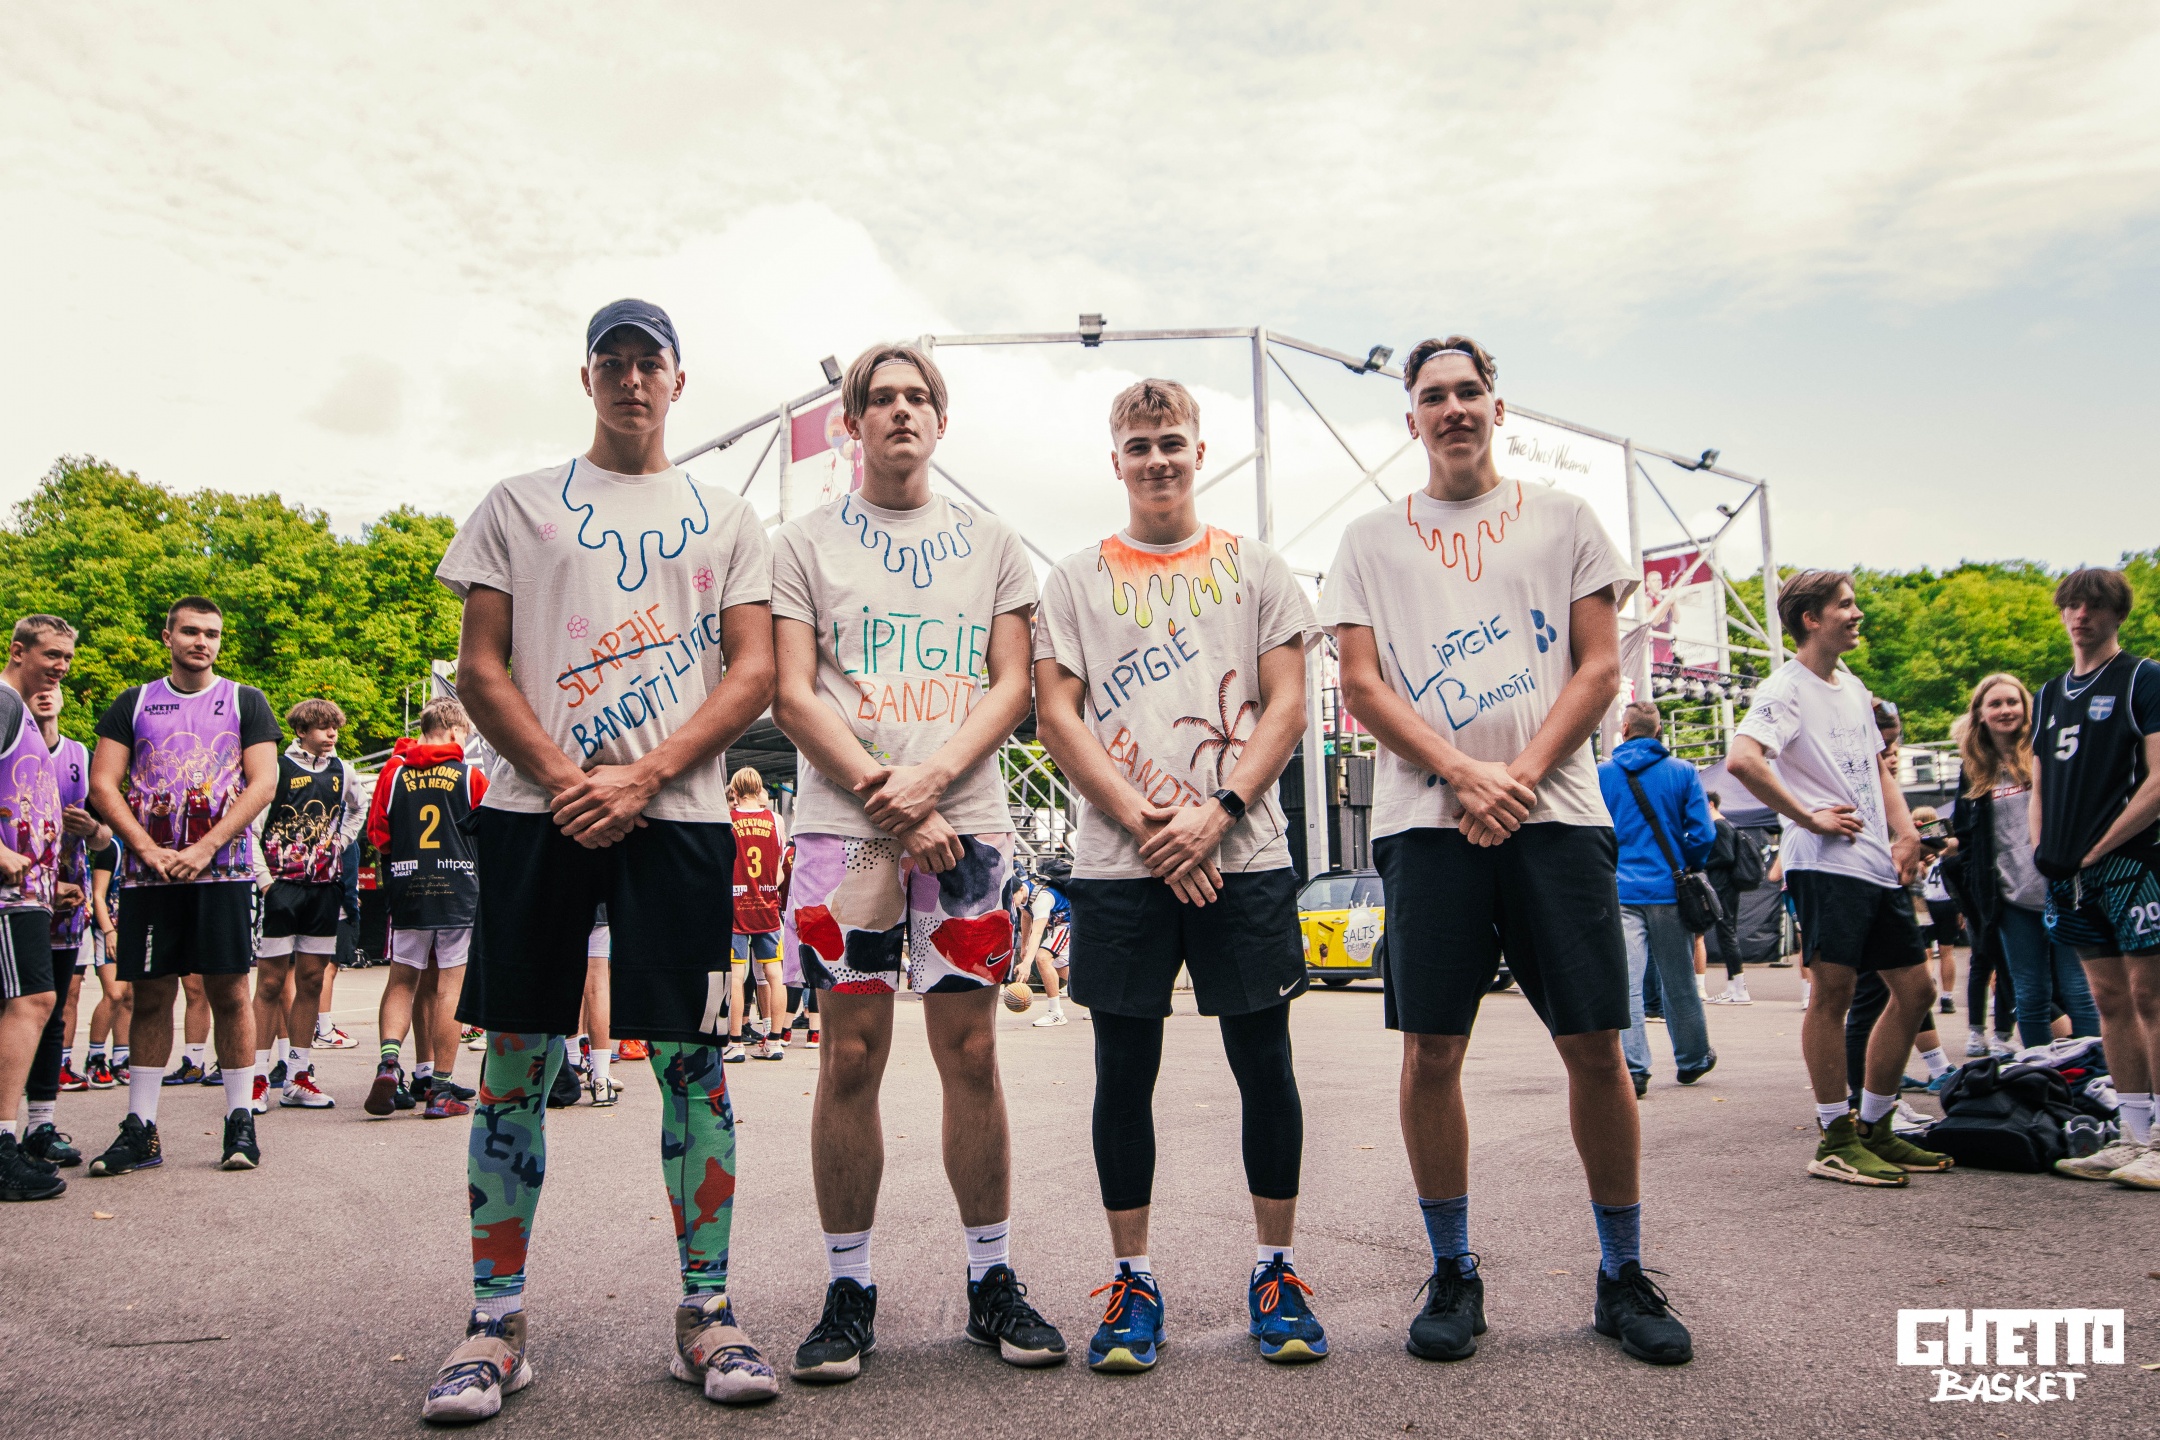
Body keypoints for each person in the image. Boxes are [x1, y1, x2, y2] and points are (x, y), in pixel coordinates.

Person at [422, 299, 780, 1422]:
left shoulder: (728, 517)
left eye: (649, 362)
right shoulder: (517, 504)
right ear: (587, 379)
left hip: (681, 818)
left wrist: (643, 776)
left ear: (679, 380)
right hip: (537, 812)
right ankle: (494, 1324)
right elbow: (480, 668)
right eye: (612, 362)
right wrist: (570, 778)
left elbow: (753, 672)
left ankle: (708, 1313)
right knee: (515, 1058)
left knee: (694, 1060)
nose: (631, 379)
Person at [1321, 336, 1691, 1366]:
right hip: (1427, 824)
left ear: (1497, 406)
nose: (1453, 408)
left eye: (1468, 391)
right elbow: (1360, 685)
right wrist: (1462, 775)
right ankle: (1453, 1271)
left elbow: (1600, 668)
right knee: (1432, 1050)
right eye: (1432, 395)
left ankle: (1622, 1275)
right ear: (1410, 418)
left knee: (1595, 1045)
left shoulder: (1565, 519)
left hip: (1557, 814)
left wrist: (1515, 777)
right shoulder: (1369, 540)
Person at [771, 341, 1064, 1384]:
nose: (900, 411)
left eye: (917, 397)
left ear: (941, 420)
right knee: (849, 1057)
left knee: (972, 1053)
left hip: (965, 821)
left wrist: (931, 781)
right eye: (880, 399)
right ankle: (848, 1289)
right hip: (843, 824)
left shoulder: (992, 543)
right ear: (850, 424)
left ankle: (992, 1279)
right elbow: (792, 692)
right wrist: (888, 799)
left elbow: (1011, 684)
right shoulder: (802, 543)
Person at [1032, 377, 1323, 1370]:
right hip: (1123, 864)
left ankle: (1277, 1272)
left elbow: (1288, 704)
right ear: (1115, 461)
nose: (1156, 459)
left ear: (1201, 452)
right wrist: (1144, 822)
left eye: (1172, 442)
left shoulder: (1259, 568)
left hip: (1245, 853)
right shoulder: (1074, 579)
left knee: (1265, 1066)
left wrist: (1218, 814)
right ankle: (1132, 1281)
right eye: (1139, 445)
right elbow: (1057, 713)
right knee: (1123, 1075)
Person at [1725, 572, 1954, 1186]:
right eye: (1845, 605)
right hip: (1825, 863)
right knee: (1834, 995)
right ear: (1811, 618)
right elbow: (1742, 759)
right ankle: (1836, 1136)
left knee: (1916, 992)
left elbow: (1878, 771)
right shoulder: (1785, 687)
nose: (1857, 614)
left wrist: (1905, 834)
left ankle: (1876, 1124)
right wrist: (1808, 815)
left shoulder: (1851, 687)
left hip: (1875, 863)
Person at [82, 598, 277, 1175]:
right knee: (150, 996)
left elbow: (263, 783)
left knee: (230, 993)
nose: (202, 642)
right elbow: (103, 782)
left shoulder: (245, 700)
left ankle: (239, 1121)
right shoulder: (134, 701)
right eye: (190, 631)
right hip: (151, 875)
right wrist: (145, 849)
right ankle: (140, 1128)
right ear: (167, 636)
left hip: (223, 872)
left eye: (212, 633)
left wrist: (205, 847)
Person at [2026, 569, 2160, 1188]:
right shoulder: (2050, 693)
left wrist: (2100, 848)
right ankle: (2132, 1136)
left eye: (2095, 606)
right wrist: (2044, 849)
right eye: (2072, 605)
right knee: (2108, 1001)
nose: (2081, 615)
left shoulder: (2143, 677)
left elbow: (2157, 781)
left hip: (2134, 864)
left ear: (2117, 614)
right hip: (2070, 875)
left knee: (2151, 998)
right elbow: (2040, 783)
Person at [1945, 672, 2104, 1065]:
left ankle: (2093, 1075)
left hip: (2063, 889)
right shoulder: (1973, 769)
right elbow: (1967, 838)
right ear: (1980, 714)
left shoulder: (2047, 751)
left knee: (2079, 990)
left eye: (2012, 702)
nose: (2005, 710)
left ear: (2026, 708)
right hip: (2010, 897)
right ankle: (2043, 1075)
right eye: (1995, 704)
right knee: (2030, 993)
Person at [364, 697, 487, 1120]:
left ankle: (389, 1063)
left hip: (408, 887)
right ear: (454, 732)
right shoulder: (470, 776)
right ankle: (441, 1088)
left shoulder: (393, 773)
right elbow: (490, 834)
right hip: (458, 890)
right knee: (452, 985)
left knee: (402, 981)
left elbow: (378, 834)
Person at [249, 698, 366, 1109]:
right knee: (269, 983)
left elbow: (358, 810)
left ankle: (298, 1076)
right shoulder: (276, 768)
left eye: (335, 727)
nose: (331, 734)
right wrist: (266, 884)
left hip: (323, 889)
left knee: (312, 981)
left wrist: (340, 843)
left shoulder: (343, 771)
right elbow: (251, 829)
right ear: (301, 731)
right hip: (281, 887)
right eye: (322, 727)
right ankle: (255, 1078)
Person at [1598, 701, 1717, 1095]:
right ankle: (1693, 1058)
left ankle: (1634, 1069)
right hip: (1669, 888)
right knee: (1678, 979)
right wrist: (1687, 864)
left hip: (1619, 890)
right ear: (1659, 730)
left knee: (1627, 983)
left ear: (1625, 729)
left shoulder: (1602, 775)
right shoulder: (1683, 772)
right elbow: (1703, 834)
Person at [20, 679, 108, 1170]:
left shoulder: (80, 756)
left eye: (55, 685)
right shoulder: (11, 748)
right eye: (37, 684)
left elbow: (105, 838)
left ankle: (41, 1125)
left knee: (51, 1013)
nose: (46, 691)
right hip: (18, 900)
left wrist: (92, 829)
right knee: (16, 1011)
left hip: (66, 909)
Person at [0, 616, 73, 1200]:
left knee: (30, 1003)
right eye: (51, 655)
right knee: (33, 1001)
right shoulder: (3, 703)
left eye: (67, 658)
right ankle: (1, 1146)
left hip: (32, 892)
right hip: (7, 893)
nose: (60, 667)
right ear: (18, 650)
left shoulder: (23, 714)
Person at [727, 767, 787, 1062]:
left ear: (735, 791)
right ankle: (774, 1040)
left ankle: (736, 1042)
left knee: (737, 976)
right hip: (767, 905)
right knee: (775, 974)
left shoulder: (728, 819)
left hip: (736, 906)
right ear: (759, 788)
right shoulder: (775, 820)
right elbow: (779, 870)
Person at [81, 836, 131, 1088]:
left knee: (129, 997)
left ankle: (121, 1058)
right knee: (114, 993)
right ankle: (95, 1057)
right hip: (109, 930)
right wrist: (109, 931)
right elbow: (98, 895)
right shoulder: (111, 847)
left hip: (134, 929)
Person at [1702, 791, 1757, 1004]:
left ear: (1710, 804)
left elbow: (1726, 856)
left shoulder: (1720, 826)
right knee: (1727, 934)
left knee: (1727, 934)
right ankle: (1734, 987)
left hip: (1724, 886)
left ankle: (1739, 990)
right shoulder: (1726, 826)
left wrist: (1702, 862)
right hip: (1727, 886)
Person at [1017, 859, 1074, 1028]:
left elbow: (1037, 932)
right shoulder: (1023, 890)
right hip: (1056, 924)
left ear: (1020, 890)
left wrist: (1027, 963)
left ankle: (1056, 1013)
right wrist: (1024, 947)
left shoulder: (1042, 898)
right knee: (1060, 968)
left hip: (1068, 922)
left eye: (1011, 898)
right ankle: (1093, 1001)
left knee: (1042, 958)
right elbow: (1026, 916)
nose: (1010, 902)